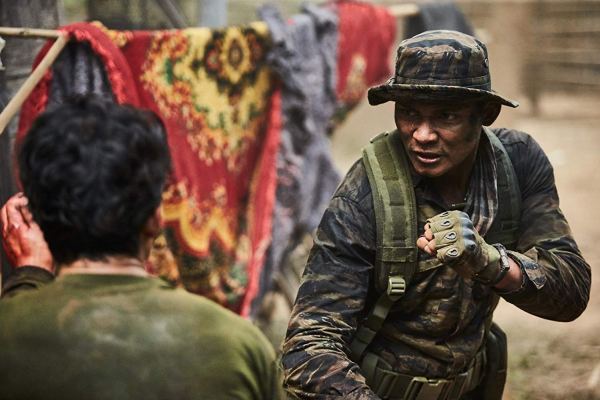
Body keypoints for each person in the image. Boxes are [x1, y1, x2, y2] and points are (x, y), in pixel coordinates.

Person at [281, 30, 591, 399]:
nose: (423, 135)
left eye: (446, 115)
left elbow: (571, 293)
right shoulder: (366, 194)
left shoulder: (516, 165)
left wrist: (490, 264)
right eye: (410, 113)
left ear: (486, 114)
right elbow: (308, 347)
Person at [0, 96, 283, 400]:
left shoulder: (10, 331)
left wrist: (30, 273)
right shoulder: (238, 346)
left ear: (39, 219)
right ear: (155, 217)